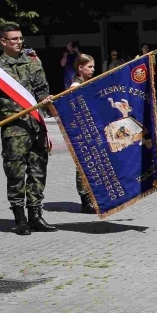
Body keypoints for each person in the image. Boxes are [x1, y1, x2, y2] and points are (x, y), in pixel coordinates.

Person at [0, 24, 56, 235]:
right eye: (13, 39)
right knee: (16, 174)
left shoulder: (33, 62)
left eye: (20, 38)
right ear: (3, 42)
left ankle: (36, 215)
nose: (18, 42)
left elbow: (43, 90)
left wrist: (47, 102)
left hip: (36, 126)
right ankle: (20, 218)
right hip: (14, 129)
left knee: (38, 172)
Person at [67, 54, 99, 213]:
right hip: (81, 131)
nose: (93, 70)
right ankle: (85, 201)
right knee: (84, 165)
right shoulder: (75, 86)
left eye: (93, 67)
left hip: (90, 129)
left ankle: (91, 197)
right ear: (80, 68)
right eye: (89, 67)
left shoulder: (87, 83)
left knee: (92, 164)